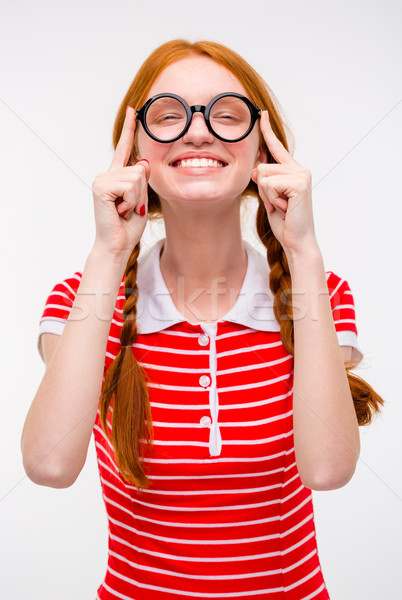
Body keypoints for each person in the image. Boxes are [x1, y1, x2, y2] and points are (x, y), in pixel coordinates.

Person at [21, 39, 383, 599]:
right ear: (132, 150)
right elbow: (48, 465)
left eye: (226, 115)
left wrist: (304, 251)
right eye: (168, 116)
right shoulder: (84, 298)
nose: (197, 131)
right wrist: (109, 253)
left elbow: (329, 471)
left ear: (264, 150)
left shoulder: (319, 293)